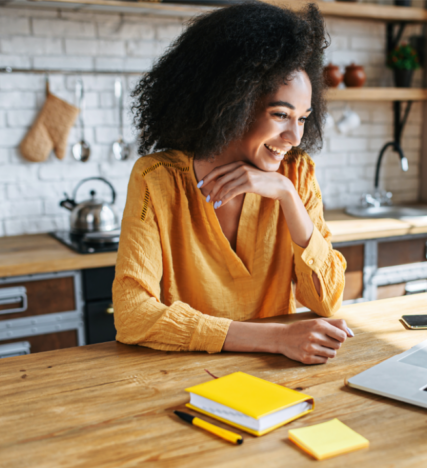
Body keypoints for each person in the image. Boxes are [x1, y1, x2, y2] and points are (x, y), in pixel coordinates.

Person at [113, 2, 352, 365]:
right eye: (281, 114)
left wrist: (287, 196)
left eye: (303, 118)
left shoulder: (296, 174)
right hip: (186, 376)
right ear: (231, 103)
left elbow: (327, 300)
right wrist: (276, 338)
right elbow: (132, 316)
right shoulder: (156, 179)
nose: (294, 136)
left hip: (278, 374)